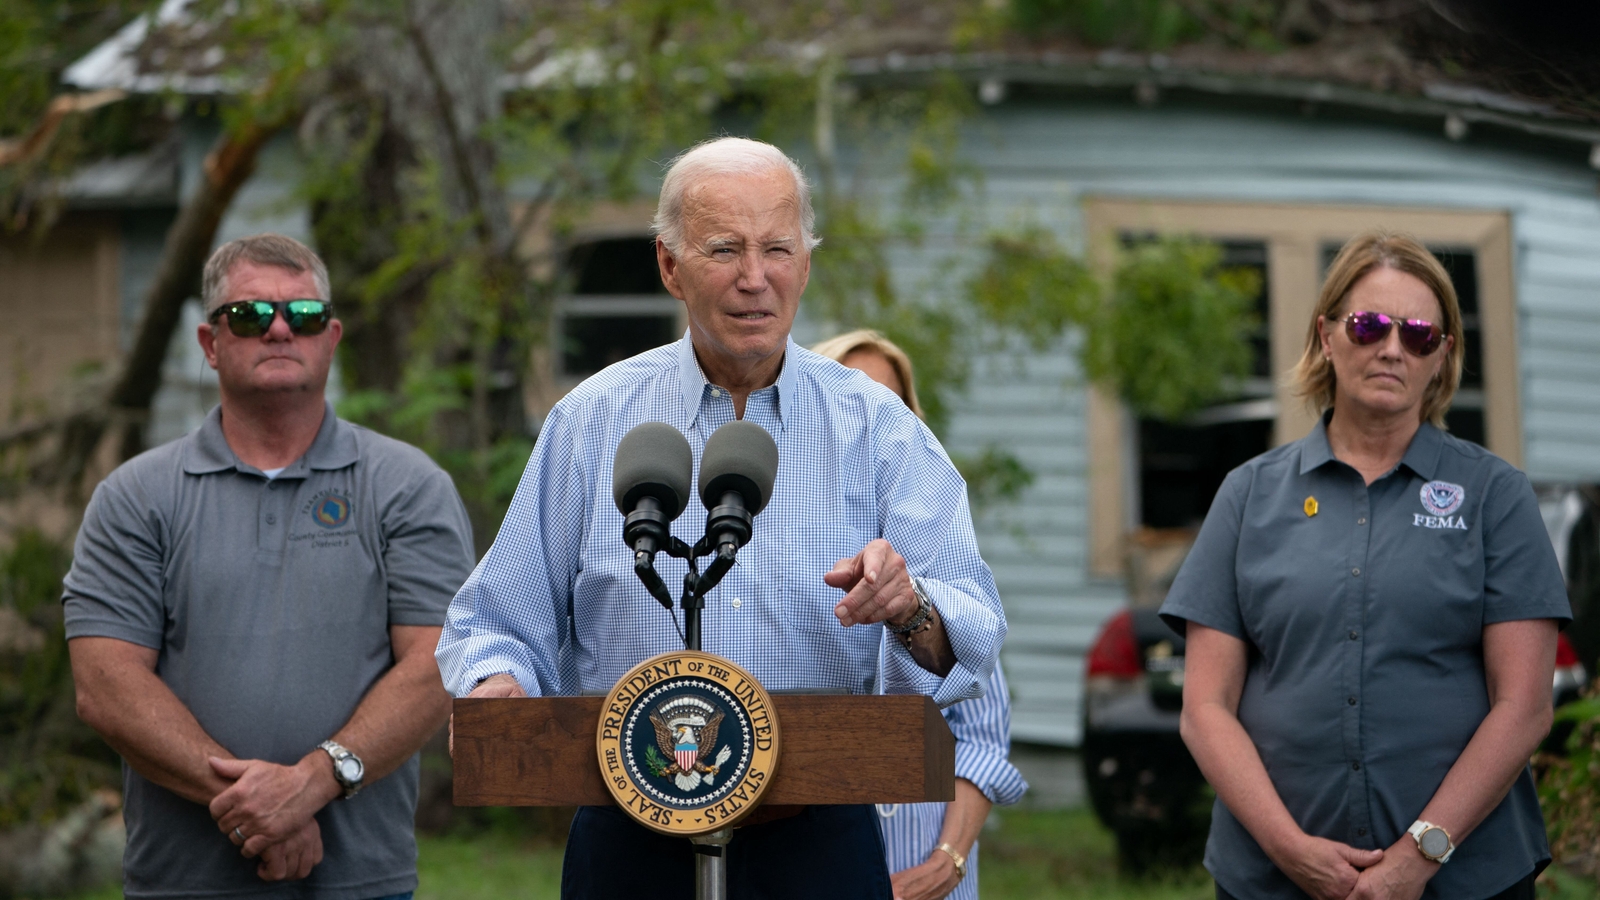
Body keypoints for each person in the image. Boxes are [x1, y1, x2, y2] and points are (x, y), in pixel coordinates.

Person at [435, 137, 1006, 899]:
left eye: (778, 248)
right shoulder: (592, 422)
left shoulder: (879, 429)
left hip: (816, 837)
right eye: (724, 249)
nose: (754, 279)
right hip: (629, 837)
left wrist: (910, 605)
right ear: (670, 266)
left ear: (806, 262)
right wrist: (496, 681)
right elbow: (496, 617)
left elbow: (972, 625)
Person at [63, 234, 476, 900]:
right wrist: (261, 811)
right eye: (251, 315)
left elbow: (438, 663)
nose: (280, 329)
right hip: (181, 881)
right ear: (210, 343)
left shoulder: (407, 486)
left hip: (360, 882)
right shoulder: (135, 496)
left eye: (304, 316)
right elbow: (105, 684)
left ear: (331, 337)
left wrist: (312, 783)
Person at [1161, 231, 1570, 900]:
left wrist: (1419, 856)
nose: (1391, 348)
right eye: (1370, 324)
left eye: (1420, 336)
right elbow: (1205, 707)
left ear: (1442, 358)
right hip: (1273, 880)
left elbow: (1523, 706)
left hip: (1464, 879)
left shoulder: (1495, 495)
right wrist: (1290, 851)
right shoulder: (1249, 494)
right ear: (1327, 335)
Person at [813, 329, 1028, 900]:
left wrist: (947, 861)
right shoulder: (794, 561)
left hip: (922, 868)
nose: (876, 412)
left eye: (893, 401)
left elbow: (982, 740)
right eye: (858, 393)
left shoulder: (940, 570)